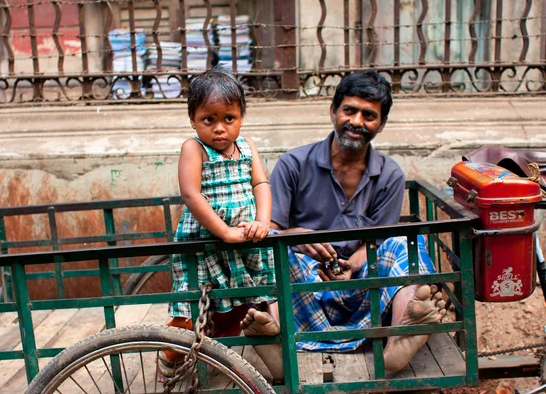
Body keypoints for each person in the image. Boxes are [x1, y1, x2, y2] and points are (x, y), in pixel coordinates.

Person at [240, 70, 446, 374]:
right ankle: (276, 338)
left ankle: (402, 336)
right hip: (303, 288)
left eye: (369, 115)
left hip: (364, 287)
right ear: (333, 111)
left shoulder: (389, 175)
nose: (357, 122)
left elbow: (379, 242)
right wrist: (297, 237)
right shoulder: (293, 164)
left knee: (405, 242)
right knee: (270, 248)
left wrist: (353, 267)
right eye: (349, 110)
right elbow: (268, 229)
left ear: (381, 124)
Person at [161, 65, 280, 378]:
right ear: (193, 120)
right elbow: (191, 195)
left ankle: (220, 355)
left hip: (242, 241)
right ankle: (170, 358)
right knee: (190, 310)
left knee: (243, 300)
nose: (219, 129)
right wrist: (223, 231)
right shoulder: (194, 149)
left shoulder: (247, 146)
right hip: (204, 243)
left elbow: (261, 185)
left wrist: (263, 221)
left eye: (229, 118)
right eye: (208, 120)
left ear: (241, 116)